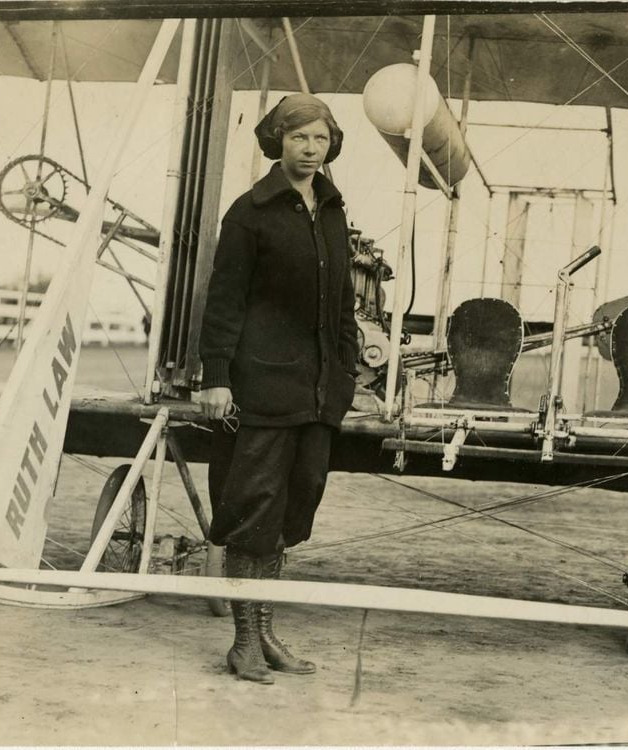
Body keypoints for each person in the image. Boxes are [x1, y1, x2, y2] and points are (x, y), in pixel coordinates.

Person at [198, 93, 359, 685]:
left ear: (331, 144)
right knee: (253, 512)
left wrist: (345, 369)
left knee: (295, 504)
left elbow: (342, 300)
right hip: (261, 387)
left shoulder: (335, 209)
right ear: (277, 142)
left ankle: (266, 634)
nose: (310, 149)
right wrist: (216, 376)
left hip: (316, 394)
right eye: (298, 138)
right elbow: (224, 301)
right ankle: (243, 641)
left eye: (320, 139)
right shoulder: (250, 212)